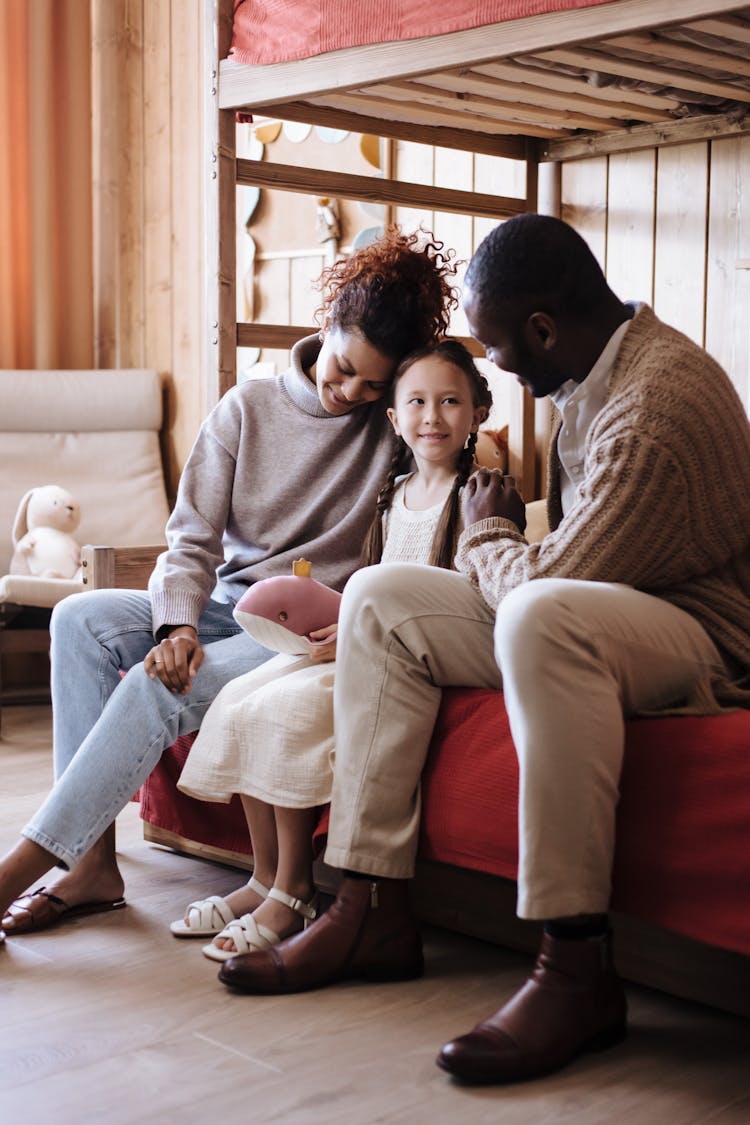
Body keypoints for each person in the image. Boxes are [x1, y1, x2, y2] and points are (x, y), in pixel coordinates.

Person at [215, 213, 750, 1086]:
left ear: (542, 328)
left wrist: (492, 529)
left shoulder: (654, 409)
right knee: (380, 597)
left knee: (541, 615)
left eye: (497, 349)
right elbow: (559, 571)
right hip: (608, 600)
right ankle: (369, 902)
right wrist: (506, 549)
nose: (495, 366)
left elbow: (542, 583)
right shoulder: (596, 371)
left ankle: (575, 966)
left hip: (698, 632)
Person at [0, 228, 459, 943]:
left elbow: (448, 461)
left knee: (159, 687)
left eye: (375, 384)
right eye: (344, 369)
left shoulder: (393, 425)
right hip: (218, 607)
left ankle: (21, 865)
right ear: (326, 321)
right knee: (78, 621)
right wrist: (175, 625)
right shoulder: (246, 409)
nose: (352, 393)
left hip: (293, 634)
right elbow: (191, 540)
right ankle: (91, 866)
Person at [170, 339, 492, 961]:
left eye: (451, 401)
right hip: (357, 637)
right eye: (417, 402)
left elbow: (465, 596)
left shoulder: (478, 493)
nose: (433, 416)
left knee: (284, 710)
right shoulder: (389, 495)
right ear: (393, 419)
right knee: (238, 698)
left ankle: (293, 890)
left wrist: (358, 636)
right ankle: (262, 876)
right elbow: (366, 581)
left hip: (409, 652)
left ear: (477, 412)